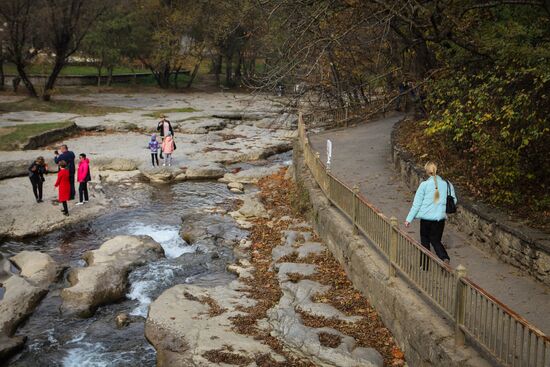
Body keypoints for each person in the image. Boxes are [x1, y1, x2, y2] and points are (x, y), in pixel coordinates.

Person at [404, 162, 457, 266]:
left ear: (426, 171)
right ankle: (444, 257)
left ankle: (424, 265)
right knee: (436, 240)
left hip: (426, 219)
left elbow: (417, 204)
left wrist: (408, 219)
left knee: (425, 241)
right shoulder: (447, 184)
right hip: (440, 219)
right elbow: (454, 201)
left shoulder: (424, 185)